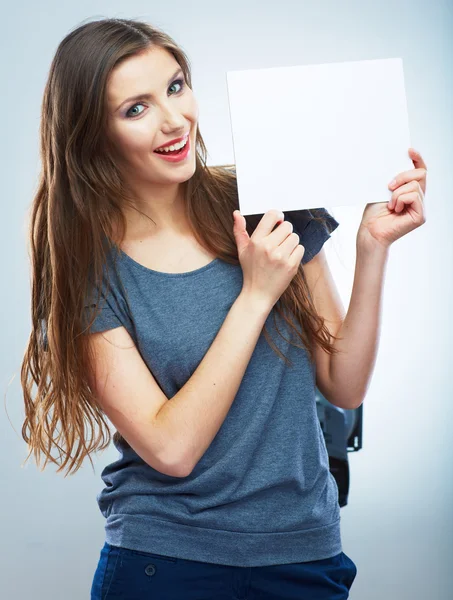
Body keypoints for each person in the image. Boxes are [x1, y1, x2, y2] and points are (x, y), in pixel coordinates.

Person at [20, 17, 427, 600]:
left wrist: (373, 248)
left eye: (176, 86)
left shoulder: (266, 197)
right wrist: (256, 295)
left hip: (304, 552)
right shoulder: (87, 268)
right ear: (94, 135)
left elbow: (344, 383)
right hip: (164, 561)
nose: (173, 119)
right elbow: (171, 449)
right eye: (135, 109)